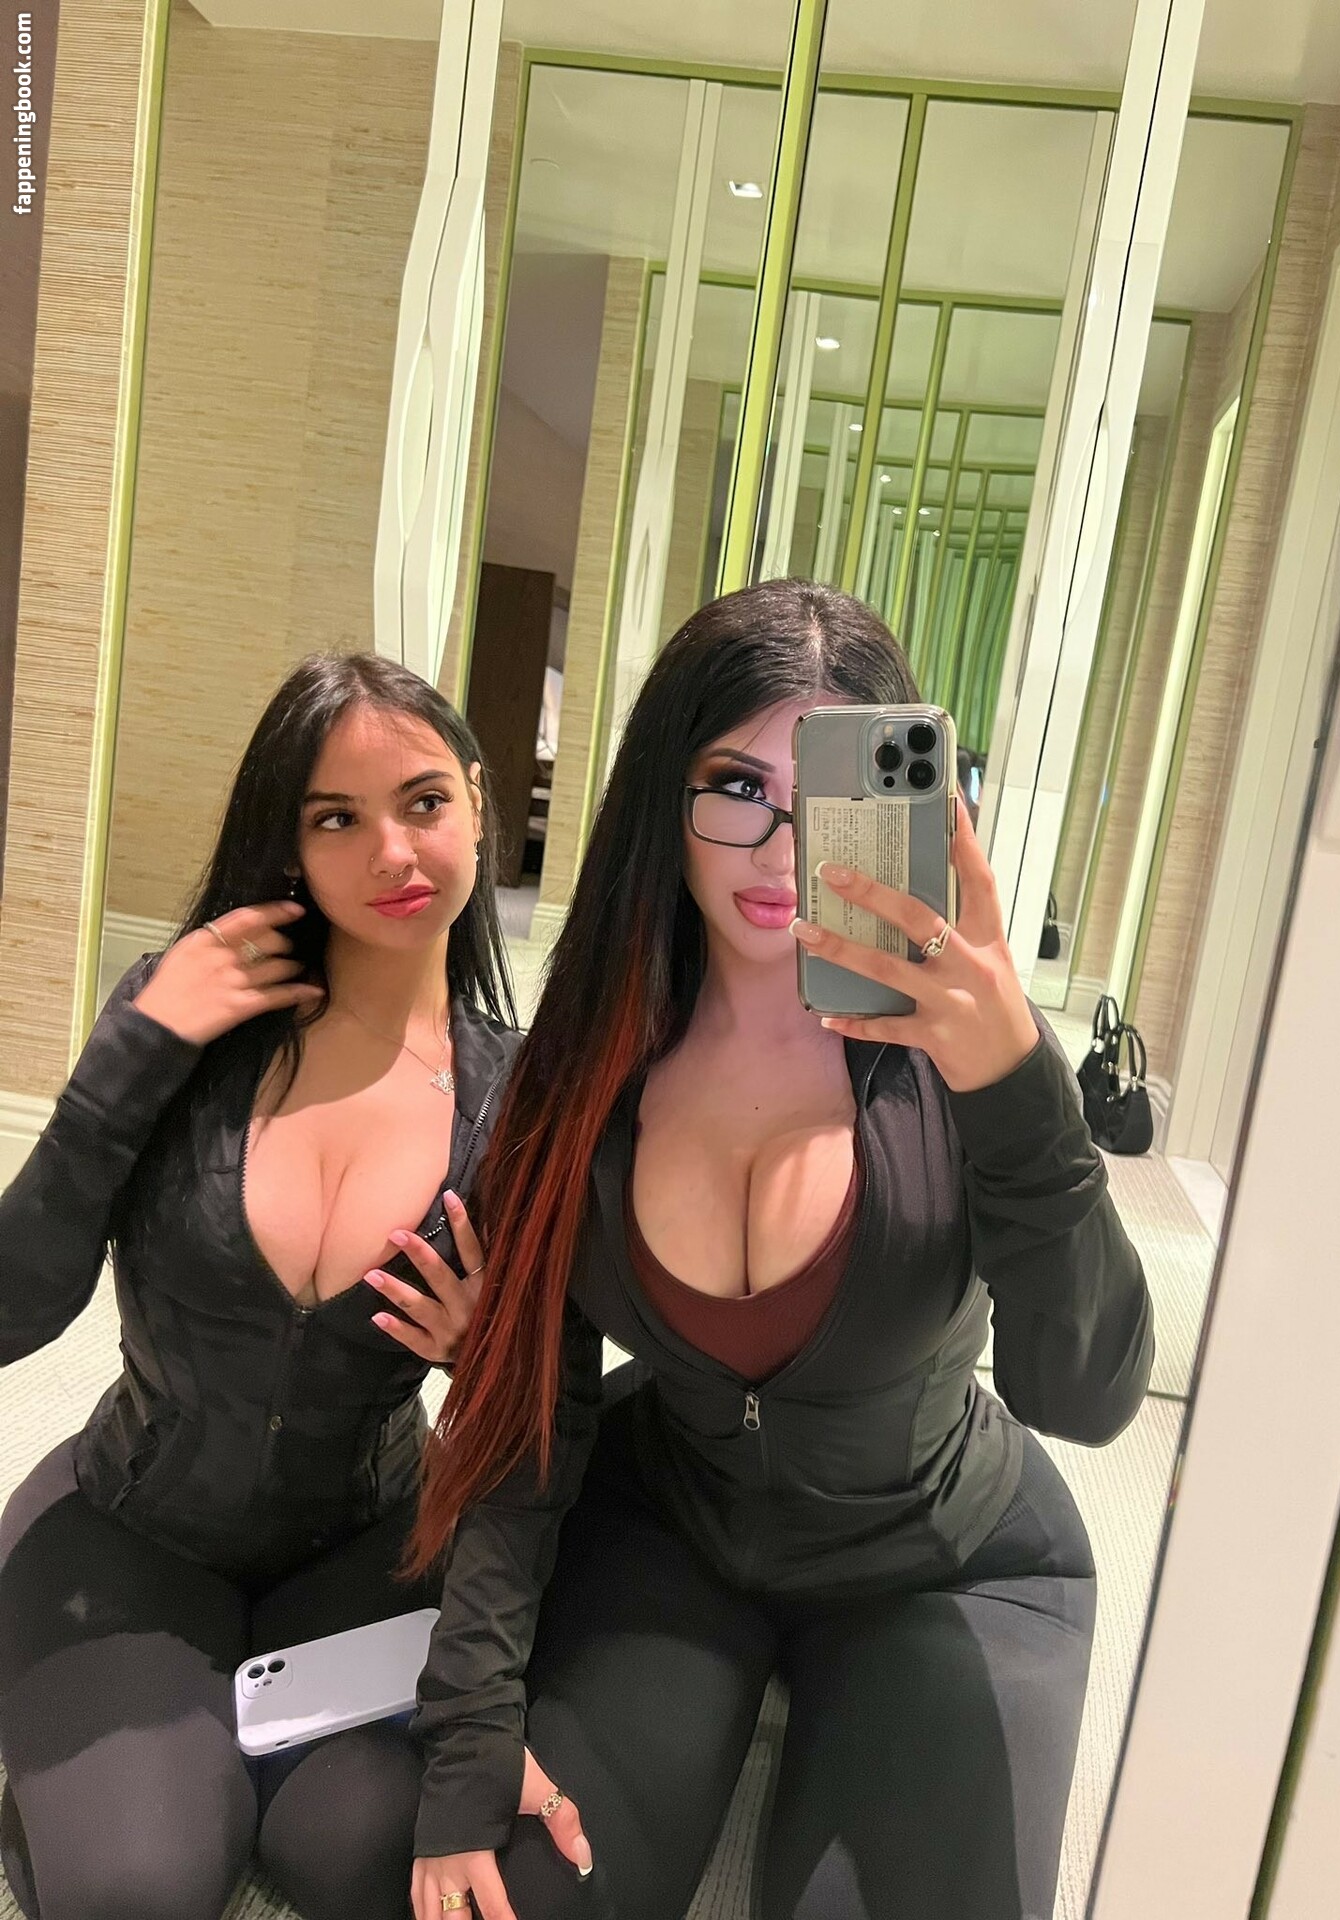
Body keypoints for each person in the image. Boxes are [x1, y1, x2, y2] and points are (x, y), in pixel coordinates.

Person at [405, 580, 1155, 1920]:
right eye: (737, 787)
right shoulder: (586, 1063)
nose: (779, 848)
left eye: (831, 799)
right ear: (667, 793)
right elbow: (532, 1413)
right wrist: (469, 1729)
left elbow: (1087, 1394)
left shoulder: (959, 1058)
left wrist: (1017, 1081)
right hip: (672, 1527)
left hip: (942, 1560)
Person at [0, 653, 522, 1920]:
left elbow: (550, 1414)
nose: (391, 851)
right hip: (131, 1534)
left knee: (375, 1862)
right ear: (288, 843)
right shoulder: (185, 1021)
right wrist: (131, 1053)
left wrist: (484, 1351)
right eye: (336, 818)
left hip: (371, 1557)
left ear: (476, 799)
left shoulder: (521, 1097)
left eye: (423, 802)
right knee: (138, 1890)